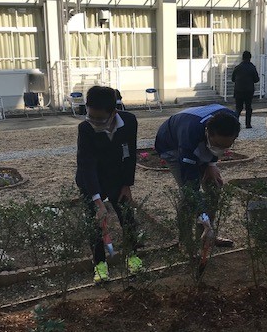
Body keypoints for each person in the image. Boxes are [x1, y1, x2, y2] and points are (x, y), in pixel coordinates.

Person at [76, 85, 142, 283]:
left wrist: (126, 184)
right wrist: (97, 200)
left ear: (113, 111)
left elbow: (130, 154)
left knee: (127, 218)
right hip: (91, 180)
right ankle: (100, 265)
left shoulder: (129, 122)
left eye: (100, 119)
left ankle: (133, 256)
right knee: (95, 224)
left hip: (117, 178)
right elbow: (86, 164)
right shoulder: (85, 128)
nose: (94, 122)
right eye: (91, 116)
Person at [154, 104, 241, 247]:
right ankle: (185, 242)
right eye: (218, 144)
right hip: (172, 146)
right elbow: (191, 187)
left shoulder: (231, 121)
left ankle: (206, 235)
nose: (221, 150)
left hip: (198, 139)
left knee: (214, 186)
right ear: (208, 132)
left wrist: (211, 164)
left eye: (226, 146)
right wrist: (203, 216)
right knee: (187, 194)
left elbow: (216, 147)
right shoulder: (189, 136)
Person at [231, 51, 260, 129]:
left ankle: (234, 124)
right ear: (250, 58)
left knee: (238, 108)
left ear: (242, 58)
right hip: (248, 91)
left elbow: (233, 79)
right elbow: (256, 79)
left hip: (238, 90)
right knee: (248, 107)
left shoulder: (237, 67)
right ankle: (248, 124)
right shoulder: (252, 67)